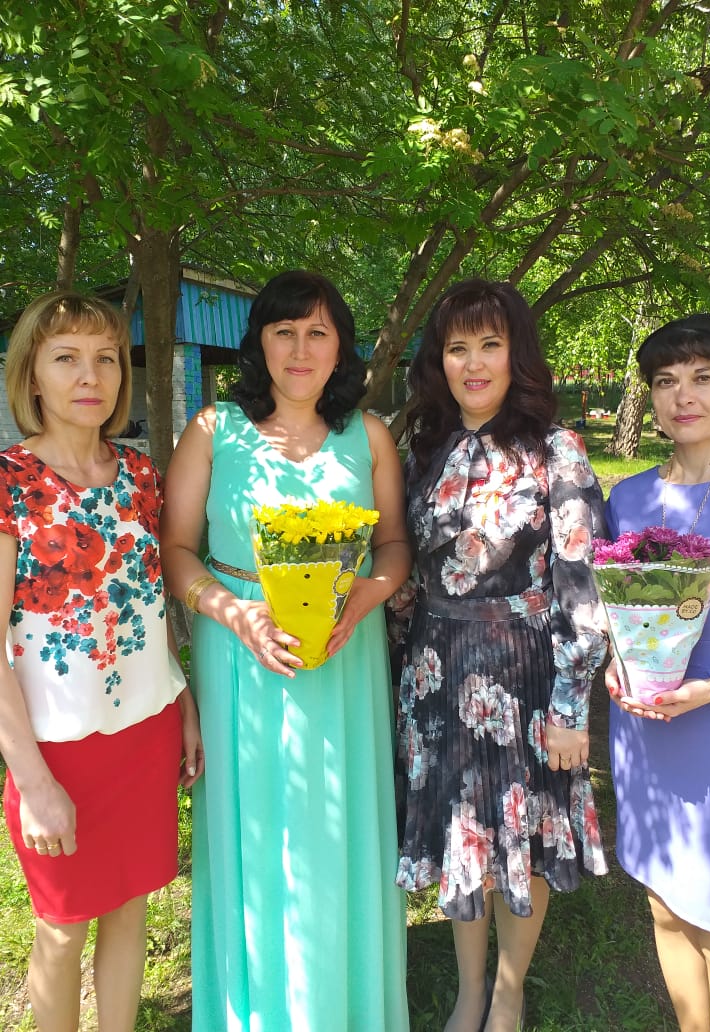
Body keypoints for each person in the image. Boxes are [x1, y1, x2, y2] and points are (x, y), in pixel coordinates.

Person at [160, 269, 411, 1031]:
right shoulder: (214, 430)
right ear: (259, 343)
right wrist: (233, 613)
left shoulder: (368, 435)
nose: (300, 349)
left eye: (318, 333)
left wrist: (370, 593)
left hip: (343, 652)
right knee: (256, 834)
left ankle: (348, 1006)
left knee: (337, 826)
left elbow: (394, 544)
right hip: (240, 655)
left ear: (341, 347)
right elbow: (176, 549)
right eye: (284, 331)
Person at [389, 278, 609, 1032]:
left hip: (524, 675)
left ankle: (508, 995)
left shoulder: (556, 450)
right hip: (436, 672)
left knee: (521, 834)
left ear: (518, 355)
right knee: (463, 834)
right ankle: (468, 990)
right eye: (459, 348)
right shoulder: (422, 449)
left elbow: (584, 586)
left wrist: (571, 709)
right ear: (439, 361)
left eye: (491, 344)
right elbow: (407, 574)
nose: (475, 363)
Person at [0, 291, 203, 1032]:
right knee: (61, 928)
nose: (91, 375)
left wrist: (183, 703)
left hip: (145, 733)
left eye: (106, 358)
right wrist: (33, 782)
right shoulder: (9, 481)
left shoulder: (141, 475)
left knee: (130, 908)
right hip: (56, 748)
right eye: (67, 358)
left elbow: (148, 606)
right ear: (32, 376)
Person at [605, 314, 710, 1032]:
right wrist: (615, 666)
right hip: (646, 728)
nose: (684, 395)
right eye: (666, 380)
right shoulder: (628, 498)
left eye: (704, 377)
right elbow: (617, 610)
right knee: (667, 907)